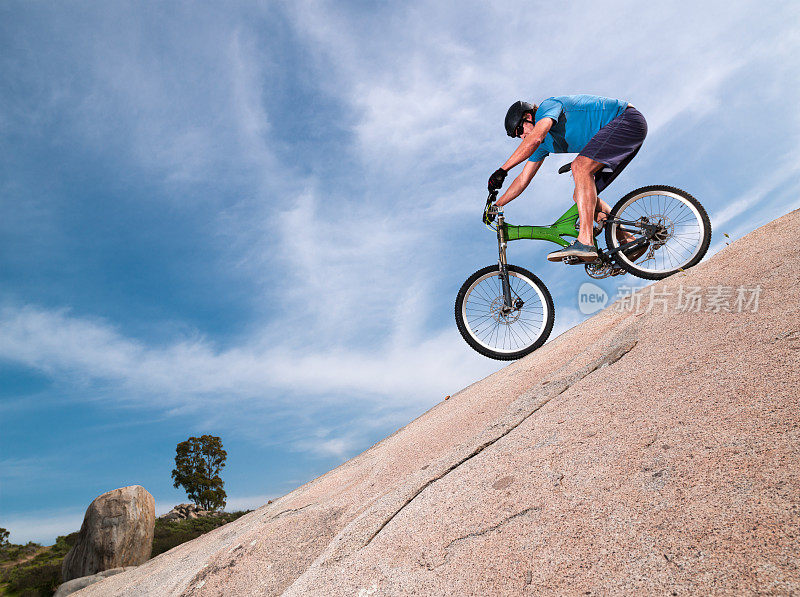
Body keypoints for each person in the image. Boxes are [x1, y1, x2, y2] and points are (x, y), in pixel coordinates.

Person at [487, 95, 648, 263]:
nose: (521, 137)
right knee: (580, 197)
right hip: (622, 134)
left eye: (520, 131)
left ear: (528, 117)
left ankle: (585, 241)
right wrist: (497, 205)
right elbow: (523, 179)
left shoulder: (547, 108)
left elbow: (535, 138)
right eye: (517, 137)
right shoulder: (542, 145)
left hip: (626, 120)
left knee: (580, 167)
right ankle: (628, 240)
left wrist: (502, 170)